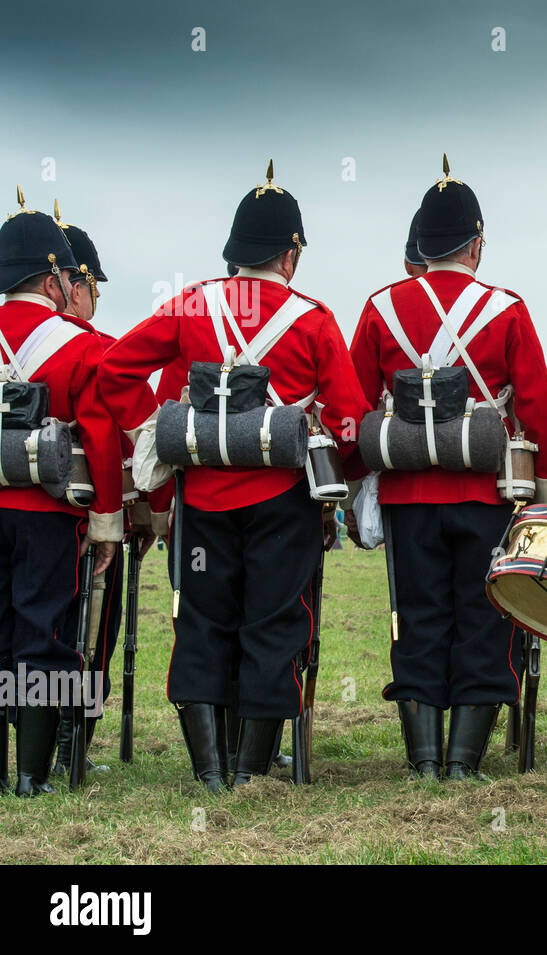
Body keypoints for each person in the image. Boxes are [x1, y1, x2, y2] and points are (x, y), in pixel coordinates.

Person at [98, 162, 370, 792]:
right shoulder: (312, 317)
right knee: (274, 622)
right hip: (282, 498)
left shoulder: (190, 303)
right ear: (290, 254)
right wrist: (338, 474)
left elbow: (114, 371)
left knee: (202, 622)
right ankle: (250, 772)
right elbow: (352, 418)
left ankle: (209, 771)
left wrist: (155, 433)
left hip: (202, 497)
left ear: (234, 250)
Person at [348, 157, 547, 781]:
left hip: (408, 493)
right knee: (482, 617)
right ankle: (464, 760)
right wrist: (546, 496)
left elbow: (355, 401)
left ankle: (423, 759)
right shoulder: (507, 308)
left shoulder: (380, 306)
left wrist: (358, 485)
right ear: (476, 245)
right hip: (485, 493)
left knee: (416, 617)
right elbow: (540, 405)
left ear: (422, 246)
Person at [0, 191, 122, 796]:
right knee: (43, 635)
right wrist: (105, 522)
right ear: (53, 278)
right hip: (50, 514)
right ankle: (31, 776)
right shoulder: (84, 345)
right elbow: (100, 436)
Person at [47, 208, 158, 778]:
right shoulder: (102, 349)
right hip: (90, 514)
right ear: (76, 284)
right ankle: (74, 744)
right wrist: (140, 518)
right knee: (93, 633)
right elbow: (126, 447)